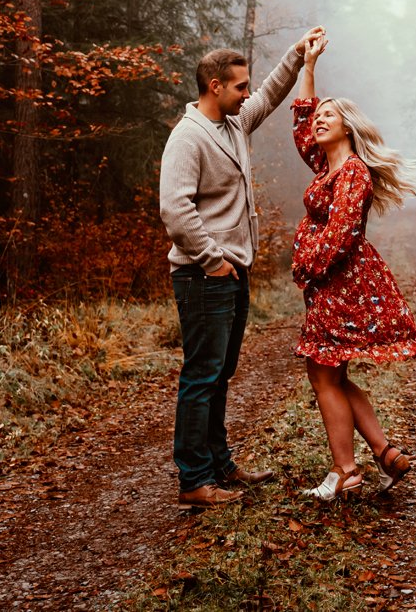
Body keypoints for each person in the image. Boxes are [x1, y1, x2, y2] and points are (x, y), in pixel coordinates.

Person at [158, 28, 323, 508]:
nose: (247, 93)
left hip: (232, 272)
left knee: (221, 371)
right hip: (203, 274)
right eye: (239, 86)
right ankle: (194, 480)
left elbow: (270, 94)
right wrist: (212, 261)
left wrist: (296, 56)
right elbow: (175, 209)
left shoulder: (232, 125)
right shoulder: (187, 138)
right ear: (215, 87)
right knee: (202, 374)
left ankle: (220, 464)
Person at [289, 34, 416, 501]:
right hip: (332, 283)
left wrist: (305, 266)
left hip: (342, 281)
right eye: (318, 118)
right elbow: (300, 117)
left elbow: (342, 233)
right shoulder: (324, 165)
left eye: (328, 117)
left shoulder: (352, 171)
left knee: (323, 372)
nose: (317, 122)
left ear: (348, 127)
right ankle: (384, 452)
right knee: (329, 374)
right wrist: (307, 65)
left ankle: (346, 471)